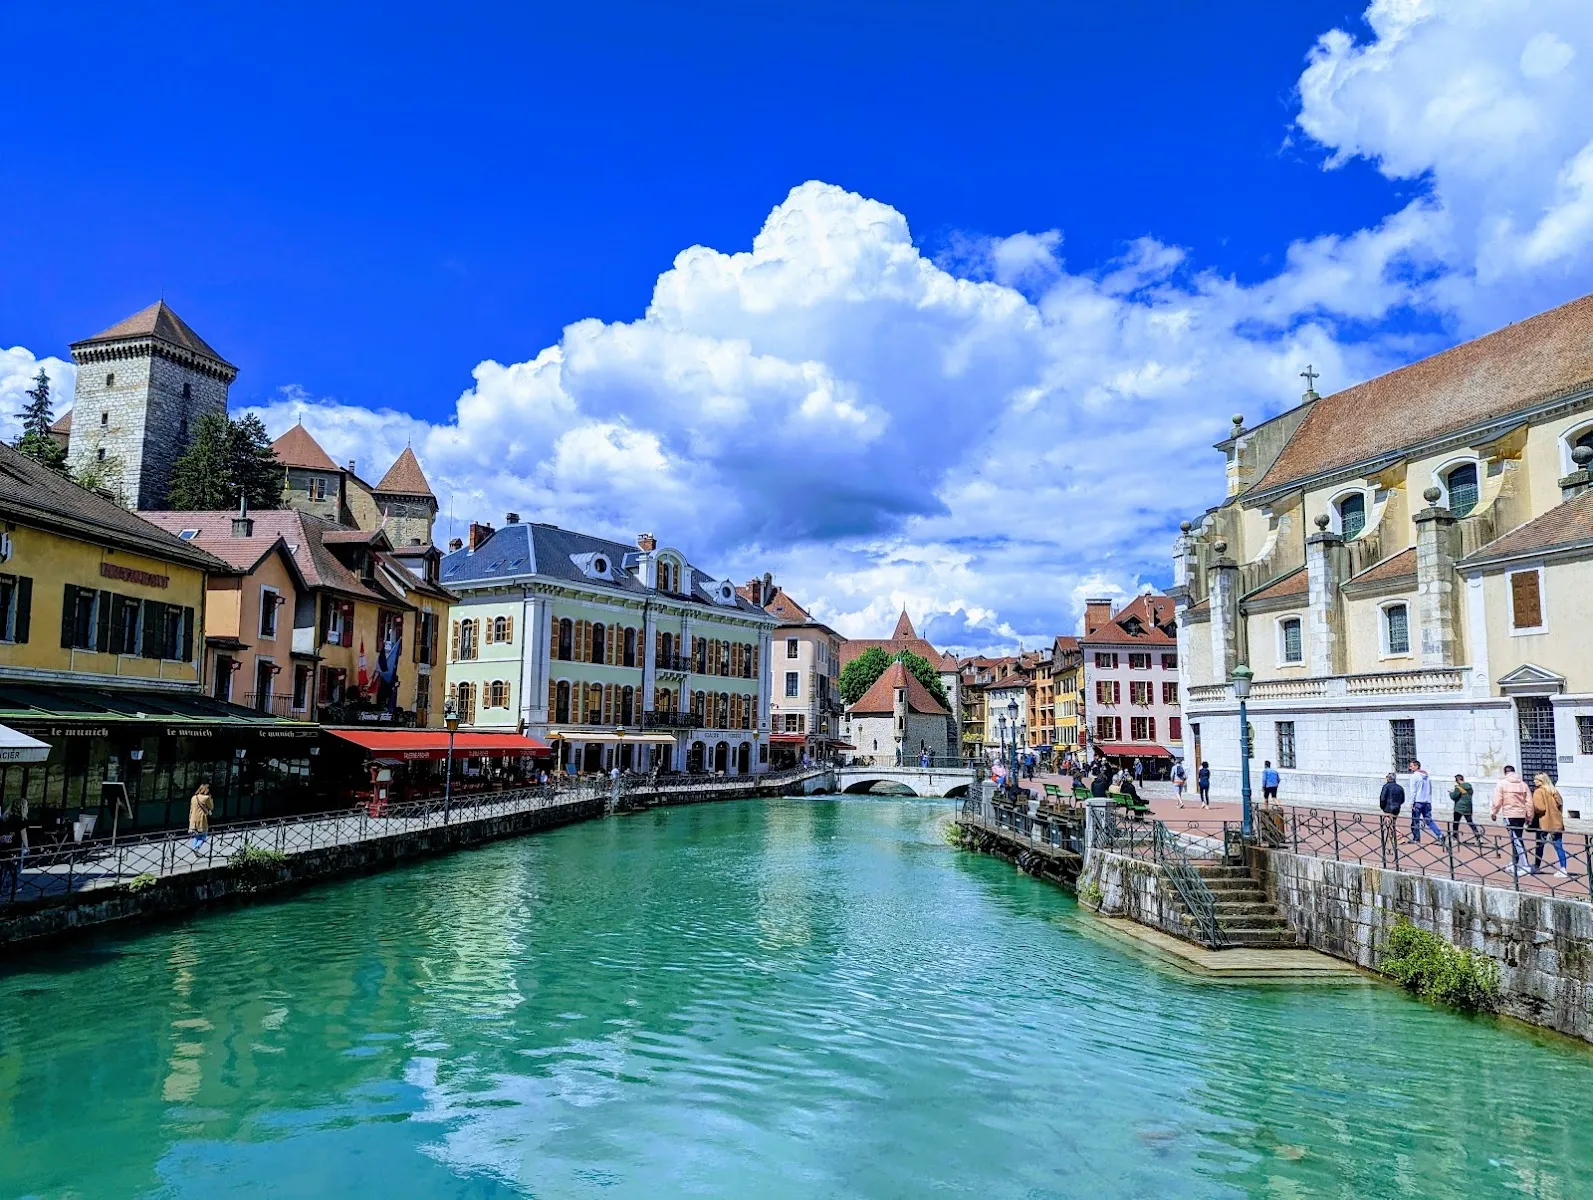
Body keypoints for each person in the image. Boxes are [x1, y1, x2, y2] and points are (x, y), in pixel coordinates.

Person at [1490, 765, 1534, 874]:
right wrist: (1529, 816)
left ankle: (1525, 865)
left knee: (1517, 839)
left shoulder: (1502, 784)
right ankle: (1515, 862)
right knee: (1515, 839)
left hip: (1509, 815)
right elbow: (1529, 802)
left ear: (1505, 773)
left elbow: (1497, 801)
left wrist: (1493, 812)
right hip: (1521, 815)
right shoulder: (1523, 785)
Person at [1531, 773, 1570, 878]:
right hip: (1556, 822)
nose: (1534, 781)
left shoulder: (1538, 792)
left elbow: (1540, 808)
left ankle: (1536, 866)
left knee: (1539, 845)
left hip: (1544, 822)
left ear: (1541, 781)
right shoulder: (1553, 790)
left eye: (1536, 780)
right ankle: (1563, 868)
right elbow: (1560, 804)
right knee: (1559, 846)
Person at [1407, 759, 1442, 845]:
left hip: (1418, 802)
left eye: (1411, 766)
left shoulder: (1414, 776)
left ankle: (1416, 838)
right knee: (1429, 820)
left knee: (1415, 820)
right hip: (1427, 801)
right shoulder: (1427, 776)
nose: (1410, 768)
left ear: (1416, 766)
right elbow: (1430, 789)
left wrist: (1411, 802)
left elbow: (1413, 791)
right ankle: (1440, 835)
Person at [1449, 774, 1482, 846]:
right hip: (1468, 807)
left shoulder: (1458, 788)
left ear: (1457, 780)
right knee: (1470, 822)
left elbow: (1454, 796)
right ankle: (1477, 835)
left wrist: (1451, 793)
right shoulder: (1470, 787)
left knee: (1456, 823)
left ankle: (1455, 838)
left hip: (1459, 808)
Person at [1378, 772, 1405, 845]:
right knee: (1392, 822)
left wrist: (1382, 806)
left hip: (1388, 807)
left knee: (1389, 823)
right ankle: (1391, 838)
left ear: (1388, 778)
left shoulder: (1386, 786)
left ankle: (1399, 835)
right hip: (1397, 808)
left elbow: (1382, 798)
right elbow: (1402, 799)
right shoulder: (1400, 787)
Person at [189, 783, 214, 850]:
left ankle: (194, 848)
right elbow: (211, 807)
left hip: (193, 820)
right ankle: (196, 848)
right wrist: (211, 799)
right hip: (202, 819)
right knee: (203, 836)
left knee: (196, 836)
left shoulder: (193, 797)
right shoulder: (206, 798)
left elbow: (191, 809)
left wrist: (190, 819)